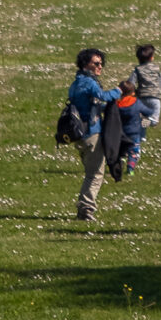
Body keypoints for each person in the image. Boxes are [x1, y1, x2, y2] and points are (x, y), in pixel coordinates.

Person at [66, 46, 119, 221]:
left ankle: (84, 208)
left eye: (101, 64)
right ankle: (86, 209)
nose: (100, 67)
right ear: (85, 64)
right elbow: (102, 96)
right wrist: (118, 91)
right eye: (96, 63)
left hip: (79, 134)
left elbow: (92, 104)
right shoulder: (89, 82)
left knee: (91, 172)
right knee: (95, 174)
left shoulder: (76, 83)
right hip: (92, 133)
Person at [123, 43, 161, 164]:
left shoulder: (137, 70)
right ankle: (141, 132)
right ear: (152, 57)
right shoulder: (156, 68)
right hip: (155, 98)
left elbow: (131, 83)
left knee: (143, 118)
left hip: (142, 98)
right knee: (154, 121)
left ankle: (141, 137)